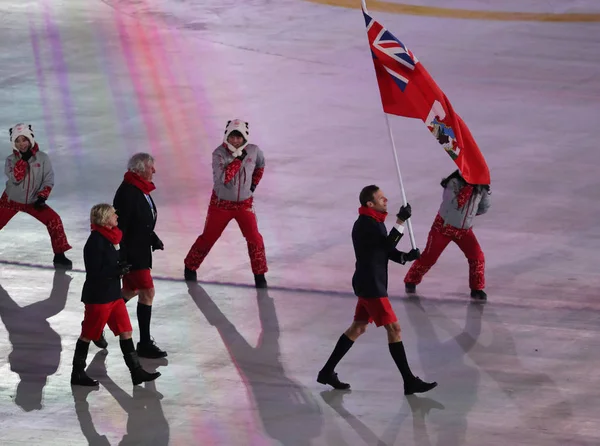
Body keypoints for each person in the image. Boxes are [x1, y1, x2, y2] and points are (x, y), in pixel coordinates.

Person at [317, 185, 437, 395]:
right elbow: (384, 245)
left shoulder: (373, 221)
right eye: (381, 198)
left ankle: (327, 371)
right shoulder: (366, 224)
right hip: (372, 286)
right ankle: (409, 381)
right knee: (395, 329)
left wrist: (405, 257)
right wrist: (400, 221)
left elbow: (384, 249)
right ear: (369, 204)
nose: (386, 200)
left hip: (368, 283)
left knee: (358, 328)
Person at [70, 204, 161, 386]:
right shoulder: (95, 242)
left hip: (113, 296)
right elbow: (95, 272)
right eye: (113, 214)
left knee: (125, 331)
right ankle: (77, 373)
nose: (117, 216)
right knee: (87, 334)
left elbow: (114, 261)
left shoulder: (112, 237)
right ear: (105, 219)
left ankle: (136, 372)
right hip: (99, 298)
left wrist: (122, 266)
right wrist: (116, 270)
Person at [184, 119, 268, 288]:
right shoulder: (219, 154)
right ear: (226, 137)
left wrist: (252, 185)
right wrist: (237, 160)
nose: (235, 141)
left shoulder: (254, 151)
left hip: (244, 205)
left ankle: (260, 275)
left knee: (255, 238)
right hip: (221, 205)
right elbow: (223, 178)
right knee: (209, 237)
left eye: (239, 137)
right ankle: (190, 266)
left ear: (245, 138)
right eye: (232, 137)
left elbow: (260, 166)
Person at [404, 170, 490, 300]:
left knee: (477, 257)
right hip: (443, 228)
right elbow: (454, 204)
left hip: (464, 230)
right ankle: (411, 280)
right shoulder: (453, 183)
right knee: (429, 257)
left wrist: (470, 214)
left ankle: (477, 288)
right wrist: (469, 188)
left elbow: (484, 207)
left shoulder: (480, 187)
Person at [113, 153, 167, 358]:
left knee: (130, 291)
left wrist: (152, 237)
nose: (154, 171)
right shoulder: (128, 192)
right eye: (151, 167)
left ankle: (96, 323)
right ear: (139, 169)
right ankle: (144, 343)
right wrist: (123, 257)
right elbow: (122, 228)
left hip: (141, 250)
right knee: (147, 292)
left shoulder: (140, 189)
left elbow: (141, 220)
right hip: (133, 255)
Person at [0, 123, 72, 268]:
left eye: (24, 139)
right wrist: (23, 161)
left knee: (54, 220)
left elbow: (48, 178)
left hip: (33, 201)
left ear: (30, 139)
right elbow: (15, 178)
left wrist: (42, 196)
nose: (21, 144)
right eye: (17, 141)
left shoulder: (43, 158)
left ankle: (59, 255)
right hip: (11, 200)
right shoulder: (10, 160)